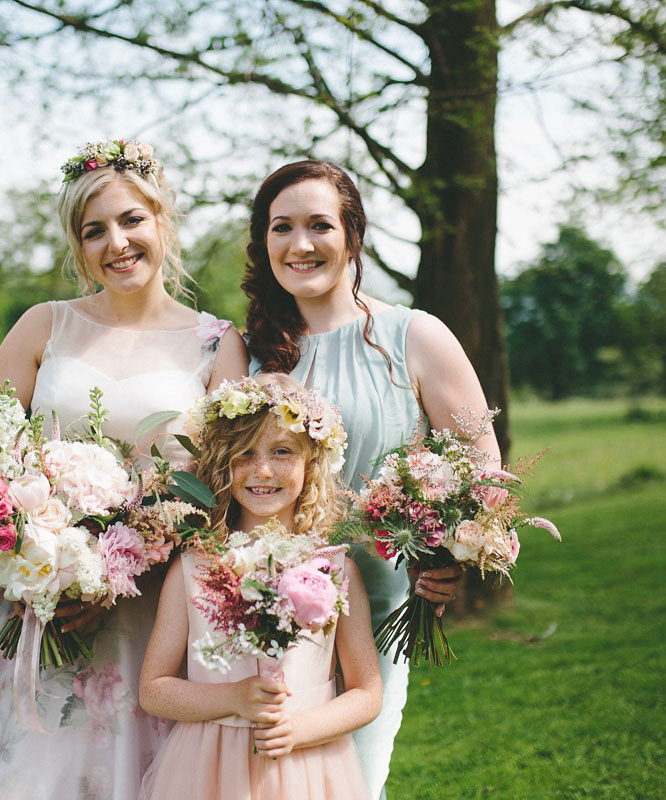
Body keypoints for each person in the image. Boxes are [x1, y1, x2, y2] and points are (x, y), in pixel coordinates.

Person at [0, 139, 247, 800]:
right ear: (77, 247)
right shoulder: (45, 325)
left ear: (162, 223)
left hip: (149, 616)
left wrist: (110, 573)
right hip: (25, 603)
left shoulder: (216, 343)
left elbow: (223, 492)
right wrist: (42, 550)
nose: (116, 242)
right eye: (94, 231)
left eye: (131, 221)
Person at [242, 160, 501, 800]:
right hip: (261, 615)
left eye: (319, 225)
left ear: (352, 236)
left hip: (374, 615)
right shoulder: (245, 351)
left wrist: (450, 555)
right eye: (281, 228)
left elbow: (483, 472)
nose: (300, 244)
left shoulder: (417, 336)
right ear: (264, 243)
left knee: (352, 783)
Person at [138, 373, 382, 800]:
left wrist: (300, 728)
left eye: (282, 452)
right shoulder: (194, 568)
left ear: (311, 464)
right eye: (244, 454)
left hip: (308, 764)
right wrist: (233, 698)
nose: (262, 470)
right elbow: (154, 690)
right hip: (207, 772)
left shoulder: (334, 568)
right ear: (221, 465)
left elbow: (367, 691)